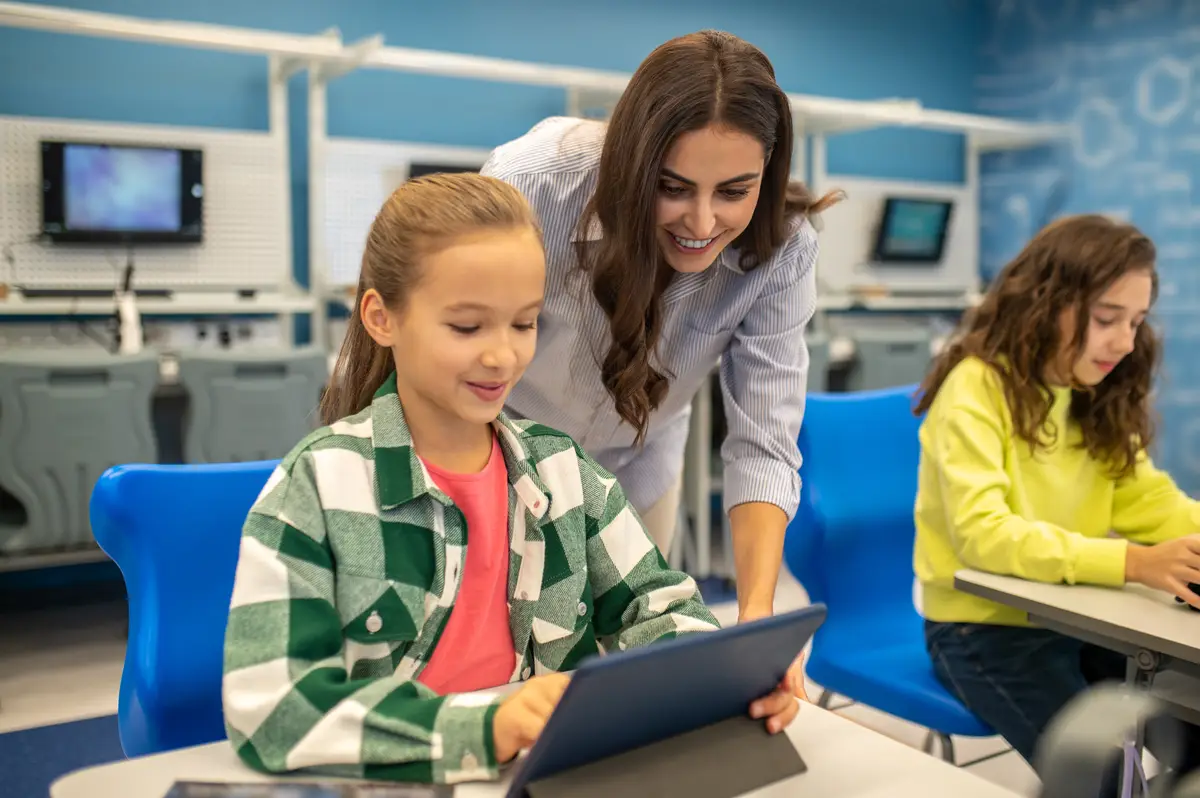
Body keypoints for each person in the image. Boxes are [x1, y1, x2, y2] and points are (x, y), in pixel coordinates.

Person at [221, 173, 803, 786]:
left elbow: (661, 608)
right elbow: (272, 709)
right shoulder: (319, 486)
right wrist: (486, 729)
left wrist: (726, 680)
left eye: (524, 324)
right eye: (467, 328)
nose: (503, 357)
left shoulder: (563, 472)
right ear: (381, 318)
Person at [481, 30, 842, 624]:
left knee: (633, 638)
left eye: (734, 191)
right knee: (506, 640)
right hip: (503, 444)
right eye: (673, 188)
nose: (701, 223)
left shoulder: (783, 250)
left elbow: (763, 441)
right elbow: (455, 343)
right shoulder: (534, 184)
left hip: (638, 458)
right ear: (634, 161)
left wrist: (756, 613)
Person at [913, 214, 1200, 782]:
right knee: (1104, 778)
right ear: (1045, 304)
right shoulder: (976, 387)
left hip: (1076, 617)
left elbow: (1152, 502)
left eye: (1136, 322)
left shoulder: (1093, 392)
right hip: (980, 630)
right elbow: (983, 536)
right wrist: (1133, 563)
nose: (1125, 342)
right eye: (1106, 319)